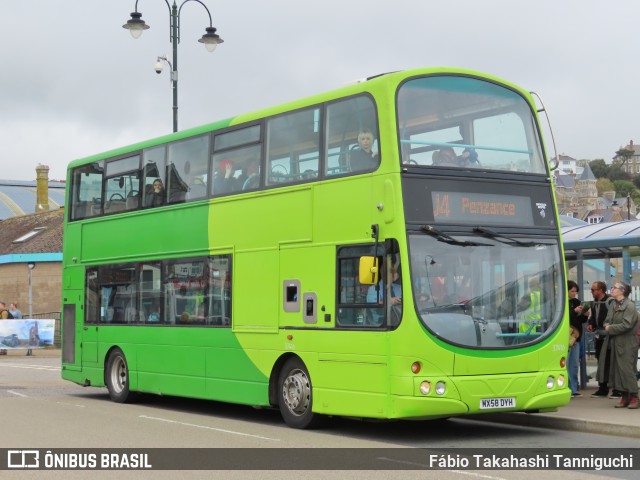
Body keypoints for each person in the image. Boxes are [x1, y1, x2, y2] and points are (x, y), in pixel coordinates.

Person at [601, 282, 639, 409]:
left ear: (622, 291)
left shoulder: (630, 306)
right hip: (615, 342)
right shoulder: (613, 304)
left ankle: (634, 397)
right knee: (617, 371)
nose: (612, 289)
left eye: (615, 288)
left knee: (627, 370)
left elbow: (626, 325)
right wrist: (607, 325)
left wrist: (610, 328)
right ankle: (624, 396)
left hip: (627, 343)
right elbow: (606, 320)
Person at [586, 281, 615, 397]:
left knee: (611, 362)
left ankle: (616, 389)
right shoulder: (594, 303)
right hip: (599, 337)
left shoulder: (610, 302)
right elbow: (593, 317)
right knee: (600, 362)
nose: (591, 292)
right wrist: (591, 324)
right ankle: (602, 388)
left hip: (609, 337)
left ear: (601, 290)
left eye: (593, 290)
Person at [567, 280, 586, 397]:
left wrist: (585, 315)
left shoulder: (577, 302)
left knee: (574, 364)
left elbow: (581, 320)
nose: (574, 293)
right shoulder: (561, 302)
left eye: (576, 291)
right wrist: (574, 311)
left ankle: (573, 388)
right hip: (566, 337)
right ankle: (567, 388)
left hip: (576, 337)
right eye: (572, 291)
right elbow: (565, 317)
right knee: (566, 363)